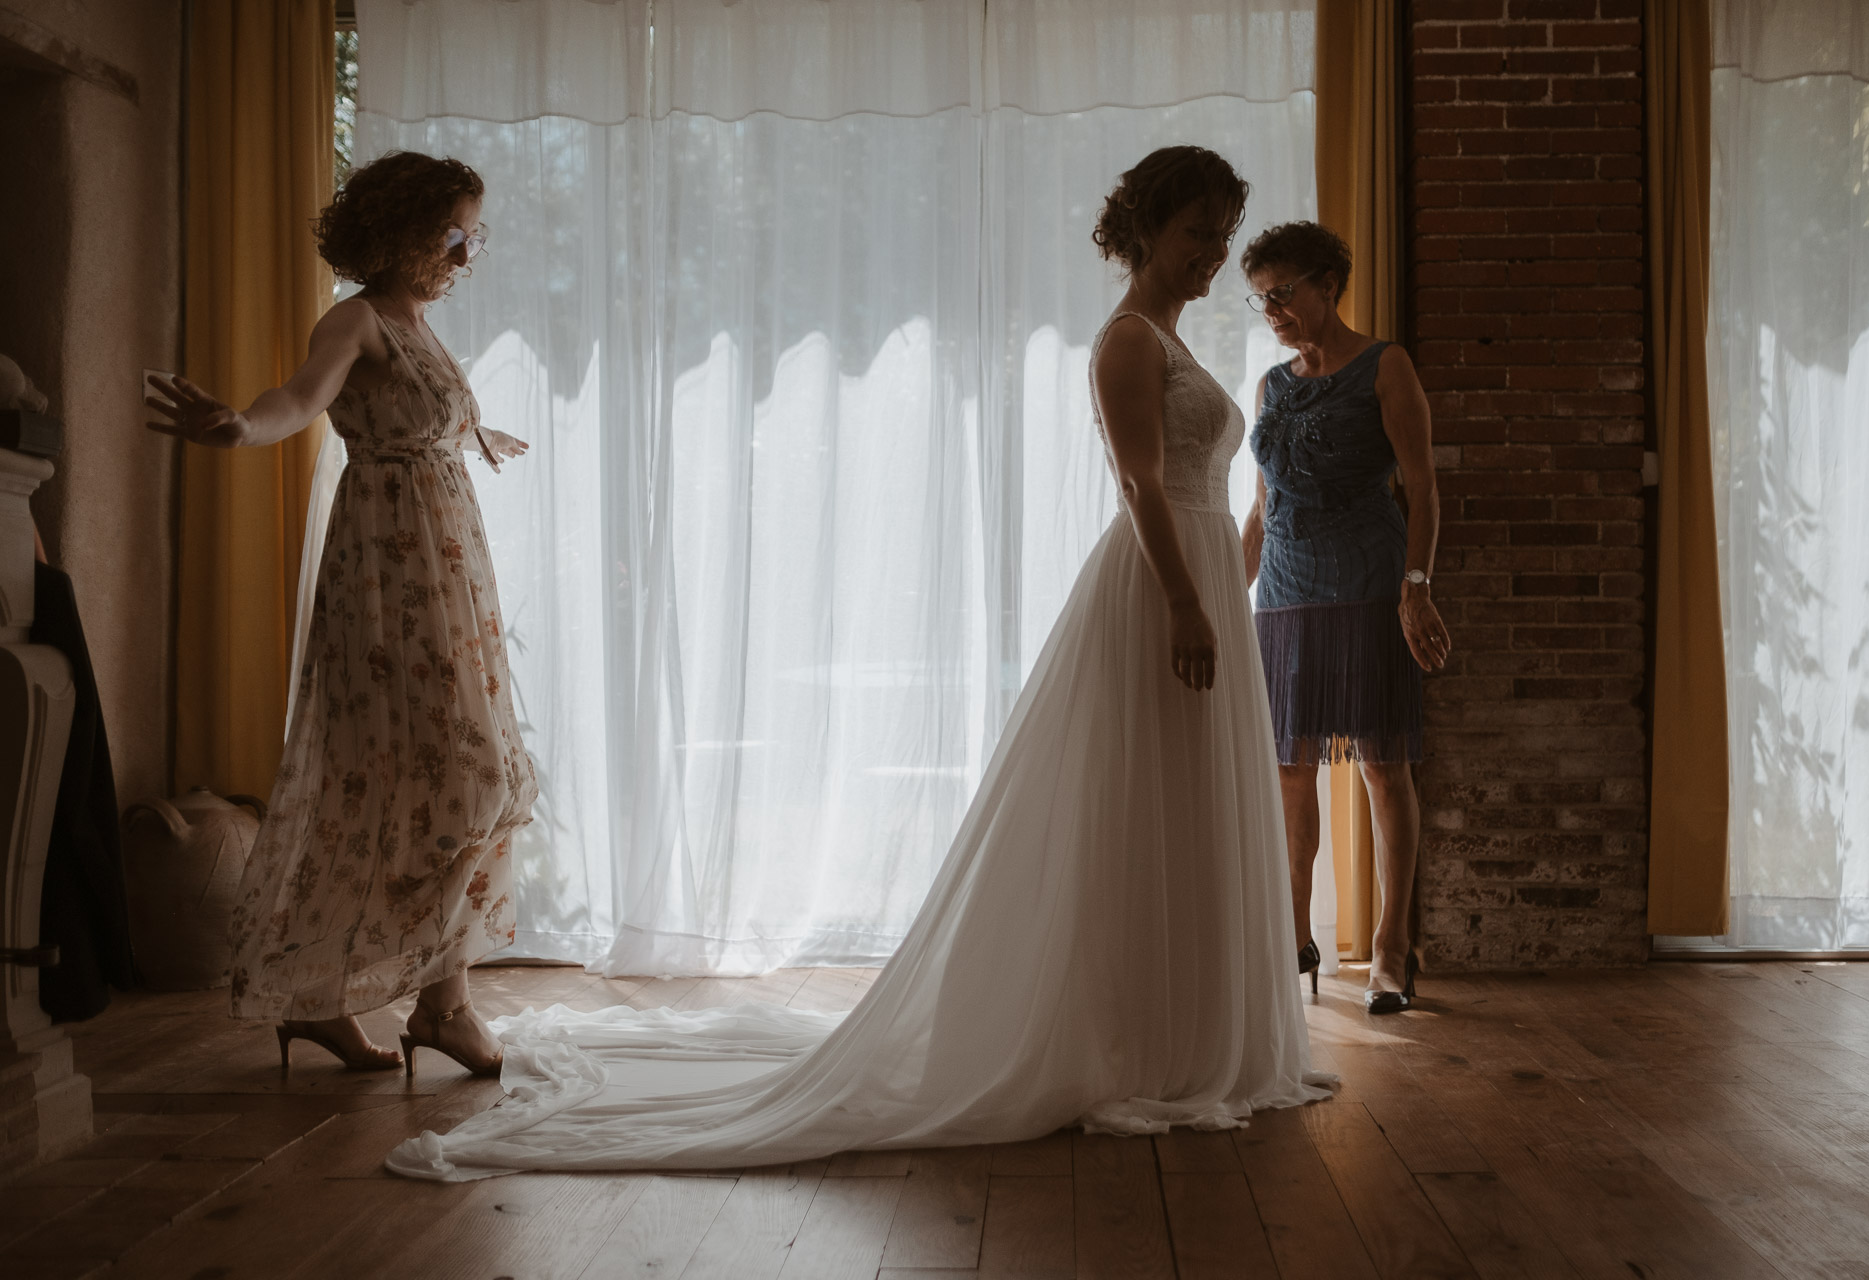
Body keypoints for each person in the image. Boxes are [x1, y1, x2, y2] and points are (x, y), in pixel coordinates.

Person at [382, 145, 1332, 1180]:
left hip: (1198, 586)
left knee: (1188, 806)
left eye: (1222, 235)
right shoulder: (1124, 341)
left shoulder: (1175, 337)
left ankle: (1191, 1034)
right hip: (1161, 589)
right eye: (1199, 232)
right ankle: (1130, 1039)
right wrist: (1188, 604)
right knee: (1141, 805)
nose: (1213, 254)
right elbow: (1142, 483)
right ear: (1149, 228)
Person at [146, 151, 534, 1075]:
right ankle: (435, 1008)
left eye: (472, 234)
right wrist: (242, 426)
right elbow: (302, 397)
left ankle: (342, 996)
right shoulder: (355, 318)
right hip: (391, 580)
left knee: (443, 776)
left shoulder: (423, 329)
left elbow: (413, 411)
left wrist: (472, 433)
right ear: (404, 232)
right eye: (455, 233)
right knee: (451, 773)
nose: (466, 252)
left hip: (448, 576)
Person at [1238, 221, 1448, 1014]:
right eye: (1261, 299)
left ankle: (1393, 949)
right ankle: (1295, 940)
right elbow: (1262, 507)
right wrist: (1231, 590)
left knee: (1381, 767)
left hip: (1368, 587)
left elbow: (1424, 488)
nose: (1273, 310)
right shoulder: (1270, 384)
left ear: (1329, 284)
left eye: (1284, 292)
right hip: (1284, 596)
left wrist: (1416, 583)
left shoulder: (1385, 366)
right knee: (1289, 772)